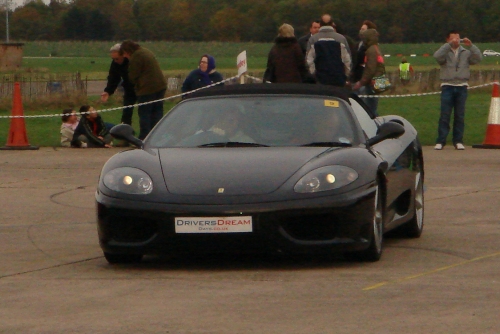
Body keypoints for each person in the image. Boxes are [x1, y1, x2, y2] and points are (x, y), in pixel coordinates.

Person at [433, 31, 482, 150]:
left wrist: (471, 45)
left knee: (459, 115)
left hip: (462, 86)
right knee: (445, 114)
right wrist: (448, 45)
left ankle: (458, 141)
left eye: (458, 38)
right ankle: (441, 141)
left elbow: (478, 58)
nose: (456, 40)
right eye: (453, 38)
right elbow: (437, 56)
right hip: (447, 85)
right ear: (448, 40)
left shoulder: (465, 52)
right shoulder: (445, 52)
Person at [120, 40, 167, 140]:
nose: (124, 56)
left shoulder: (136, 57)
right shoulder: (146, 51)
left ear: (127, 51)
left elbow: (133, 76)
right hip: (160, 86)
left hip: (147, 89)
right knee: (157, 113)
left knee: (145, 114)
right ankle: (157, 137)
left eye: (124, 53)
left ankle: (144, 137)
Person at [306, 20, 351, 87]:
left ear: (320, 25)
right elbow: (347, 61)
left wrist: (314, 74)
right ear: (332, 25)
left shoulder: (313, 40)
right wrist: (346, 75)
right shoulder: (341, 39)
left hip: (320, 78)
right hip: (338, 78)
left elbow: (309, 61)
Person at [100, 43, 137, 126]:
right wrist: (108, 91)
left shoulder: (133, 61)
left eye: (117, 58)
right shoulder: (115, 63)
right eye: (113, 59)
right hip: (129, 89)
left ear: (123, 55)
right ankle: (125, 131)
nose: (115, 61)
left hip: (142, 88)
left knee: (145, 111)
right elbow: (113, 77)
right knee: (126, 111)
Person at [352, 28, 385, 116]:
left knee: (369, 109)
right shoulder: (376, 48)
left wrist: (361, 82)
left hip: (372, 82)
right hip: (379, 79)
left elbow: (370, 69)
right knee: (373, 107)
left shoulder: (371, 50)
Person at [350, 20, 377, 85]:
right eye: (361, 29)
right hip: (356, 77)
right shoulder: (357, 45)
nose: (361, 31)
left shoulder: (372, 47)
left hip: (366, 80)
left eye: (363, 29)